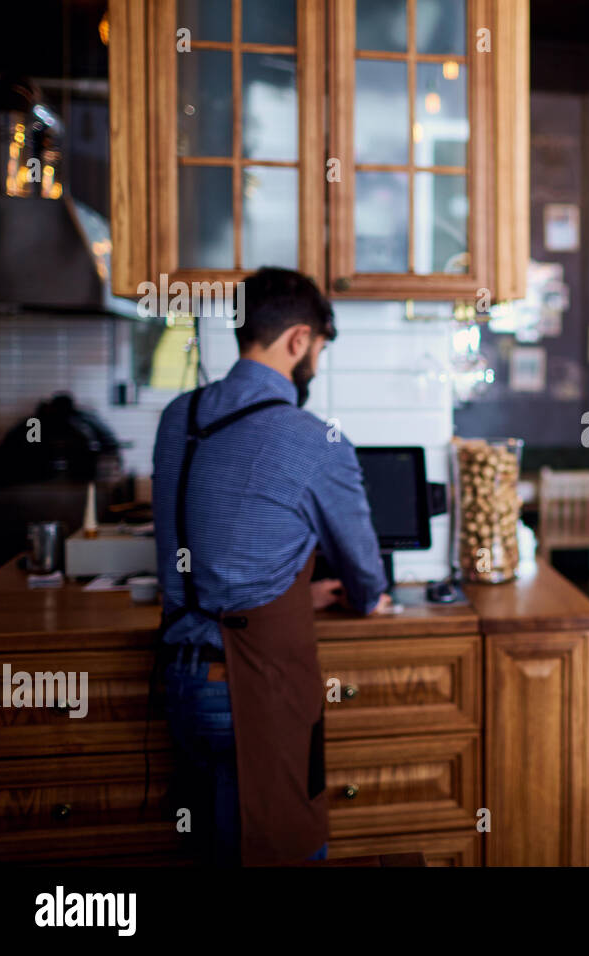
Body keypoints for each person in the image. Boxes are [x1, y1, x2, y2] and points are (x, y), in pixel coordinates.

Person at [151, 266, 392, 865]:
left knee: (208, 850)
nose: (315, 364)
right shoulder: (311, 438)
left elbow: (212, 558)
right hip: (251, 691)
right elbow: (364, 575)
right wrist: (367, 599)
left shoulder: (178, 417)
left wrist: (289, 592)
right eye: (319, 350)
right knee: (283, 848)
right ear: (298, 340)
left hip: (180, 678)